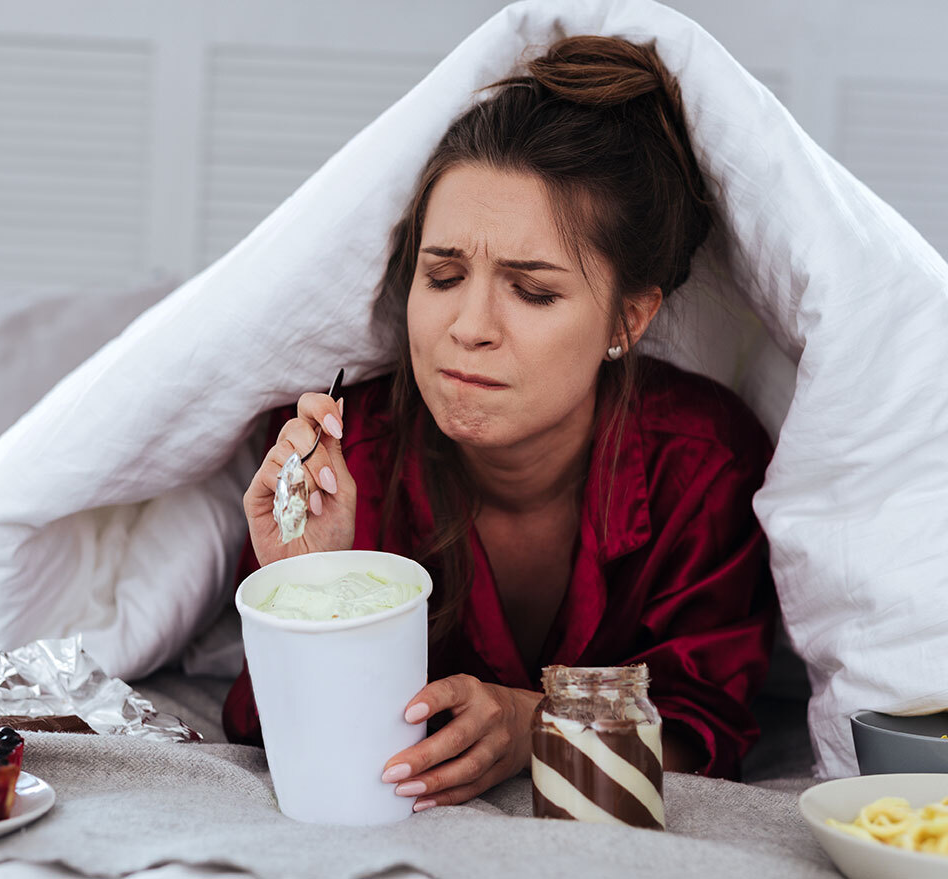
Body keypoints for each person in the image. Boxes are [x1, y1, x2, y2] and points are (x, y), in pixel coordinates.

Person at [224, 35, 777, 813]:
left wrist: (540, 725)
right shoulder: (347, 464)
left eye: (533, 291)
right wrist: (305, 581)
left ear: (629, 317)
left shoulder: (704, 464)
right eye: (443, 275)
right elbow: (257, 727)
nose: (469, 326)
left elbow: (706, 730)